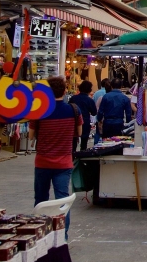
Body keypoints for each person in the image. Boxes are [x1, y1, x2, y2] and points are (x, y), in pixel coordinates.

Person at [28, 76, 82, 237]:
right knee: (62, 201)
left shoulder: (39, 111)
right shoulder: (73, 110)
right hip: (64, 162)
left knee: (41, 199)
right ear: (65, 90)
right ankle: (62, 235)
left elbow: (30, 136)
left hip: (43, 161)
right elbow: (78, 133)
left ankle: (40, 234)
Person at [69, 80, 97, 152]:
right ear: (89, 90)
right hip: (85, 122)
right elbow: (94, 112)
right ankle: (82, 157)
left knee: (73, 141)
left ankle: (73, 156)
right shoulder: (89, 100)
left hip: (73, 121)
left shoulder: (73, 98)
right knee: (84, 142)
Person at [93, 79, 112, 144]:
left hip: (99, 118)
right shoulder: (109, 95)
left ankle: (96, 145)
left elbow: (95, 106)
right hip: (107, 118)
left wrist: (98, 117)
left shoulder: (96, 93)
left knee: (98, 133)